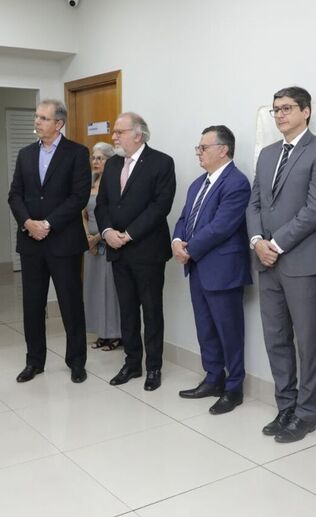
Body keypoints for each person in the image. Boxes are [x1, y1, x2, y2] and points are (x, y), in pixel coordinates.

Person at [247, 86, 316, 443]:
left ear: (306, 112)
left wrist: (277, 243)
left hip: (302, 262)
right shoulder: (268, 154)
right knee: (276, 339)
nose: (280, 115)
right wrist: (257, 242)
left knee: (308, 341)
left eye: (287, 108)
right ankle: (285, 405)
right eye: (275, 110)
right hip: (266, 262)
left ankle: (306, 413)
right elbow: (254, 204)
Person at [8, 99, 91, 384]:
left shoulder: (77, 153)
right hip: (31, 242)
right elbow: (15, 195)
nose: (37, 122)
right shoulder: (25, 154)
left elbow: (78, 196)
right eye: (37, 117)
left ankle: (76, 362)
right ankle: (34, 361)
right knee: (32, 305)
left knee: (70, 304)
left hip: (64, 242)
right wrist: (28, 223)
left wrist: (48, 223)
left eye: (43, 118)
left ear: (59, 123)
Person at [172, 125, 251, 415]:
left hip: (223, 269)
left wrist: (189, 249)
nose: (198, 153)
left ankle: (234, 388)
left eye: (203, 148)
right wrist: (177, 241)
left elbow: (222, 227)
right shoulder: (197, 184)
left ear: (223, 149)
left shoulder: (237, 183)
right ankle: (213, 378)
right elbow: (184, 219)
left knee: (229, 331)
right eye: (198, 148)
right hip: (197, 267)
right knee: (205, 328)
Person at [94, 112, 176, 391]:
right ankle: (132, 363)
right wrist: (107, 233)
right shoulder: (114, 164)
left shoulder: (161, 163)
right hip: (117, 251)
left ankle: (154, 368)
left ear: (138, 134)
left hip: (147, 251)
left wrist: (128, 235)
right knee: (127, 311)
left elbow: (160, 206)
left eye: (119, 131)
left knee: (152, 312)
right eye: (114, 131)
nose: (114, 136)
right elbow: (102, 204)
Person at [82, 141, 121, 351]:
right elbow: (83, 213)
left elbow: (116, 215)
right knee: (94, 289)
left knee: (110, 290)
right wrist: (87, 237)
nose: (95, 162)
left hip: (107, 240)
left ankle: (115, 334)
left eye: (100, 158)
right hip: (90, 244)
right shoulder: (91, 182)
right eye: (94, 158)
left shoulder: (116, 182)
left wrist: (97, 239)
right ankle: (101, 333)